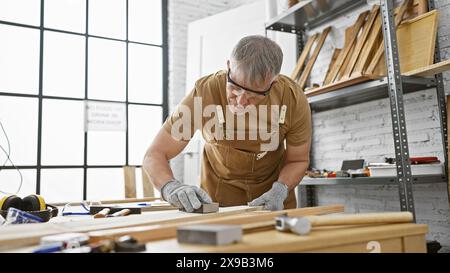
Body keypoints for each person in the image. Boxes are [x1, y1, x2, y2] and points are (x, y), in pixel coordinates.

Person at [143, 35, 311, 212]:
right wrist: (171, 187)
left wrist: (280, 190)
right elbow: (154, 154)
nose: (240, 101)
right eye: (234, 87)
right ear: (229, 66)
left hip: (272, 205)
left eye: (253, 96)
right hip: (218, 204)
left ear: (273, 83)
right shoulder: (204, 93)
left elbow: (297, 160)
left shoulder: (292, 99)